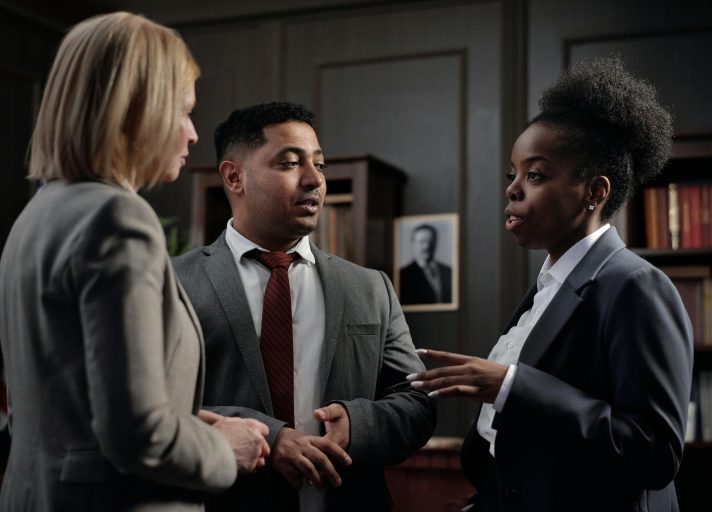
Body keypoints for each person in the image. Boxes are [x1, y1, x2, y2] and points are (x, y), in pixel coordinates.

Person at [0, 12, 271, 511]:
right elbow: (137, 436)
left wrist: (185, 421)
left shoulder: (36, 216)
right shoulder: (118, 218)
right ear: (135, 108)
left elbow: (63, 405)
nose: (193, 134)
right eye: (185, 111)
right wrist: (223, 447)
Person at [407, 56, 693, 512]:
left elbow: (654, 451)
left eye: (535, 175)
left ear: (594, 192)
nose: (512, 189)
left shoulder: (636, 286)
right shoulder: (548, 286)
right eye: (512, 174)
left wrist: (510, 386)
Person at [172, 102, 436, 511]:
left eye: (320, 164)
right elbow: (152, 407)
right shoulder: (171, 283)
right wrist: (268, 436)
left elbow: (417, 402)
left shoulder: (370, 287)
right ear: (234, 176)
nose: (314, 180)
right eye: (291, 163)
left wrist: (356, 424)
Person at [399, 223, 452, 304]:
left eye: (430, 241)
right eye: (422, 242)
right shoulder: (403, 275)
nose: (427, 246)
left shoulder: (449, 271)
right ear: (413, 243)